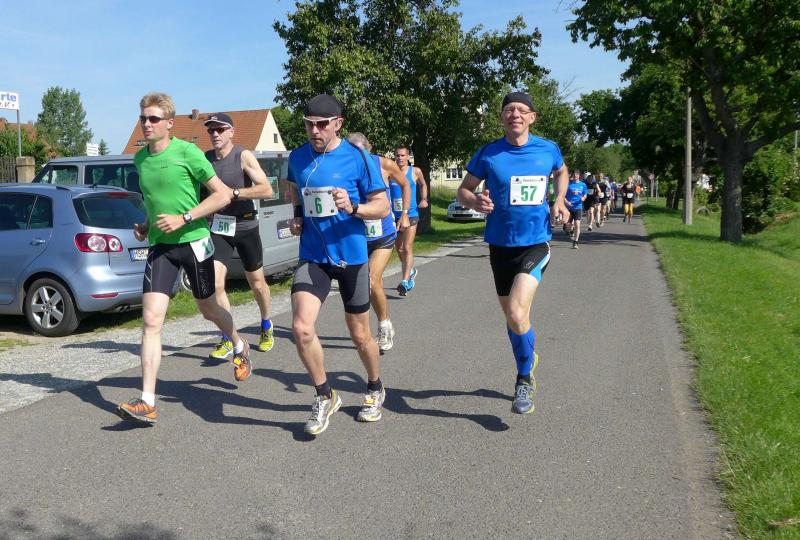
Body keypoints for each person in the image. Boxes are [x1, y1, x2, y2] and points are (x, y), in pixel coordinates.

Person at [116, 93, 249, 426]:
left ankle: (238, 343)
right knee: (151, 321)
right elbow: (154, 200)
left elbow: (222, 195)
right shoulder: (140, 160)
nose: (147, 124)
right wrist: (146, 225)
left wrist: (185, 218)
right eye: (143, 118)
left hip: (194, 242)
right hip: (161, 247)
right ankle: (147, 401)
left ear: (169, 124)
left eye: (154, 119)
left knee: (208, 308)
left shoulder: (188, 152)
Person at [456, 91, 569, 415]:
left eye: (521, 110)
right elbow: (464, 190)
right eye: (508, 110)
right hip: (500, 245)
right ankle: (528, 355)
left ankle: (524, 378)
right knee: (513, 318)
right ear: (502, 118)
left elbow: (561, 171)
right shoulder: (489, 153)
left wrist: (559, 200)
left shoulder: (547, 149)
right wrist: (474, 201)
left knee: (518, 313)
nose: (515, 114)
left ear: (532, 117)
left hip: (535, 243)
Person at [288, 94, 390, 436]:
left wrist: (353, 207)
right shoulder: (297, 157)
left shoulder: (359, 158)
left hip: (351, 255)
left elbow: (382, 207)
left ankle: (374, 386)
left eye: (321, 124)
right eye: (309, 125)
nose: (314, 131)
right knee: (301, 328)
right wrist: (298, 217)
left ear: (338, 124)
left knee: (360, 335)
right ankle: (324, 395)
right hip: (313, 256)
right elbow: (297, 194)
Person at [203, 113, 276, 360]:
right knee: (216, 284)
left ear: (231, 132)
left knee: (257, 283)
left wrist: (234, 193)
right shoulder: (205, 159)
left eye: (220, 129)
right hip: (220, 228)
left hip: (245, 226)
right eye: (211, 130)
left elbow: (266, 190)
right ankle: (228, 336)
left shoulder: (242, 155)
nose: (215, 134)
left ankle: (266, 324)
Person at [346, 132, 411, 352]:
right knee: (367, 284)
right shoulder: (344, 167)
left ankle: (384, 325)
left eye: (360, 151)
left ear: (369, 148)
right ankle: (367, 329)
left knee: (372, 280)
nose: (357, 156)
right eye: (352, 152)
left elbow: (405, 185)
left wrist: (404, 214)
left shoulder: (384, 164)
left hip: (383, 234)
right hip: (358, 235)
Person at [393, 144, 429, 296]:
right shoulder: (391, 172)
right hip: (395, 216)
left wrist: (424, 198)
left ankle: (405, 281)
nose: (400, 158)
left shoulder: (415, 171)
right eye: (397, 155)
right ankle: (411, 270)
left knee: (407, 248)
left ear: (408, 156)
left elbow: (423, 184)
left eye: (402, 155)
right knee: (399, 249)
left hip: (411, 214)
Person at [564, 170, 587, 249]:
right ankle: (570, 230)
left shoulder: (583, 185)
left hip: (578, 207)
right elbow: (563, 195)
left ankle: (575, 242)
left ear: (579, 176)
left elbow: (585, 194)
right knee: (568, 225)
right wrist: (567, 202)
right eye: (574, 174)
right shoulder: (568, 184)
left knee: (577, 224)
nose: (575, 176)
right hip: (569, 207)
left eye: (576, 174)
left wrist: (583, 198)